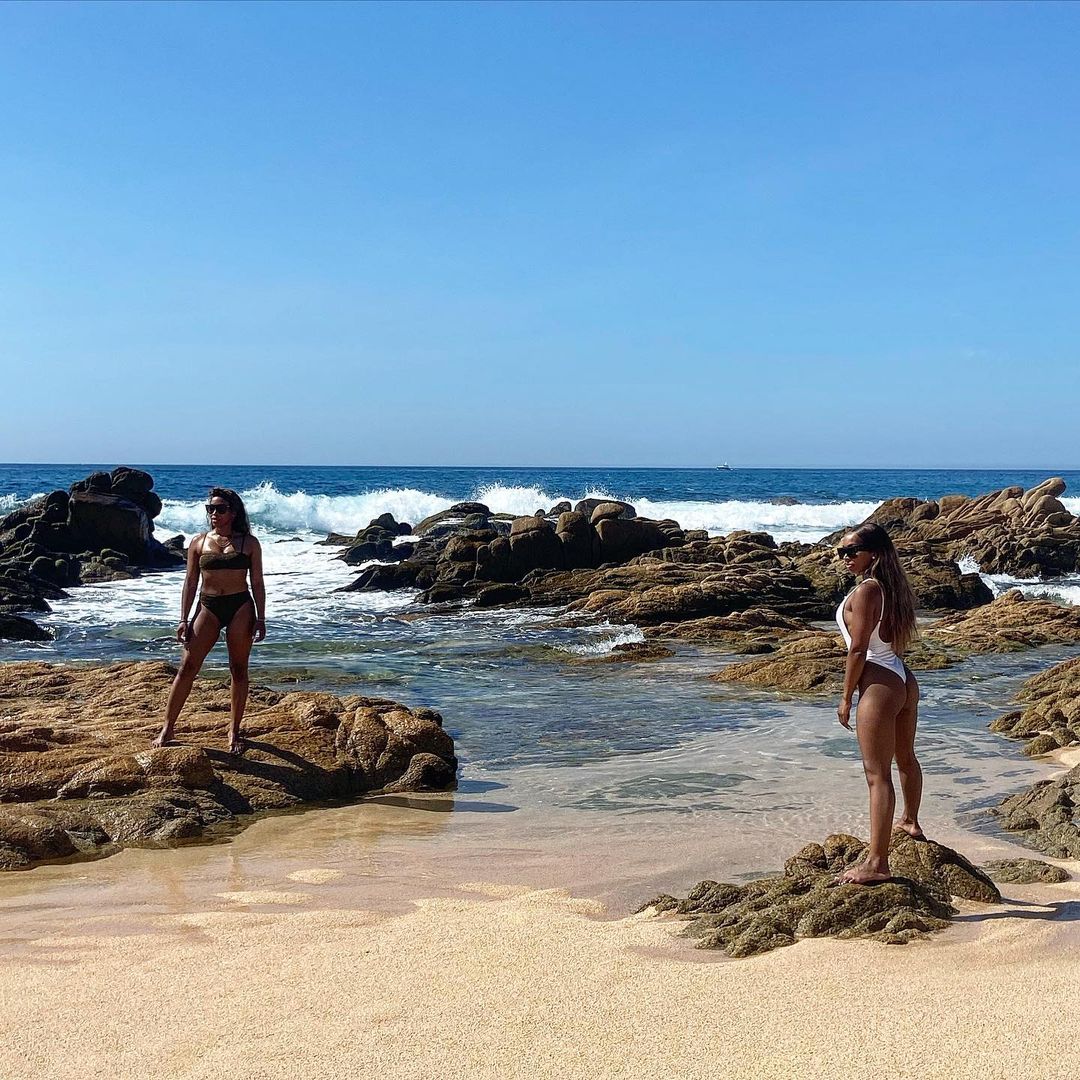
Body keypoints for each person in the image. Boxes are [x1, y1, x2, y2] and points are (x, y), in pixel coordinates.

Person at [834, 522, 924, 884]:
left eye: (851, 551)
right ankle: (910, 821)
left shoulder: (868, 590)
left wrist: (845, 697)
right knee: (905, 757)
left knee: (877, 776)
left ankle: (877, 864)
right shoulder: (891, 588)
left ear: (873, 553)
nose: (844, 558)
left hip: (879, 685)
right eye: (841, 551)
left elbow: (858, 649)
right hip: (902, 678)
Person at [155, 488, 265, 753]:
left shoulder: (249, 543)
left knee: (238, 669)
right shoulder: (199, 542)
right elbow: (190, 582)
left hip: (240, 606)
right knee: (187, 666)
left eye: (220, 509)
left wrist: (261, 617)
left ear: (233, 513)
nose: (214, 513)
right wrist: (183, 618)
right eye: (210, 509)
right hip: (208, 606)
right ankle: (168, 728)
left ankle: (234, 730)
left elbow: (257, 582)